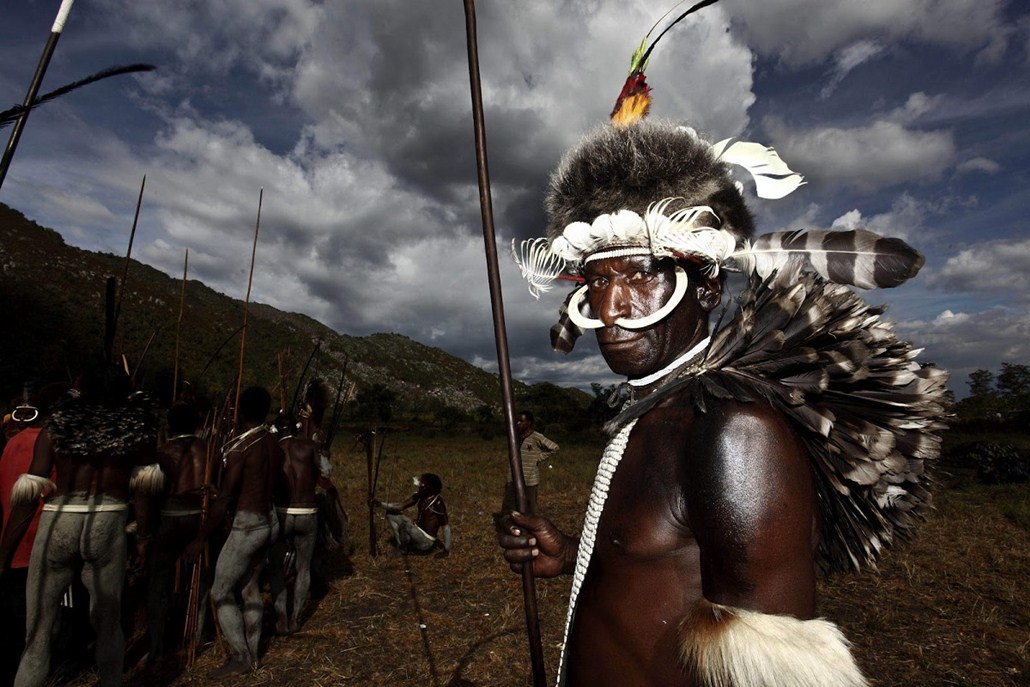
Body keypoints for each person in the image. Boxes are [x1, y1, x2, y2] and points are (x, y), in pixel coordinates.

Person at [499, 116, 946, 686]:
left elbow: (772, 671)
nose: (609, 307)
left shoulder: (733, 431)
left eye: (639, 274)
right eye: (595, 281)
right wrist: (567, 555)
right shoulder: (656, 412)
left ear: (706, 289)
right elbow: (667, 566)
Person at [0, 365, 159, 687]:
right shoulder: (136, 428)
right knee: (108, 624)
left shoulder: (56, 426)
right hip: (108, 522)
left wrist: (4, 552)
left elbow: (30, 494)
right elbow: (144, 489)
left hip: (58, 521)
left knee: (39, 633)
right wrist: (143, 536)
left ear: (81, 387)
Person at [187, 386, 282, 678]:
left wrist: (201, 536)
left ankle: (240, 656)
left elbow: (228, 496)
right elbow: (256, 483)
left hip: (247, 526)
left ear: (240, 412)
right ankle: (252, 654)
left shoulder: (242, 448)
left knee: (220, 591)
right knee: (250, 586)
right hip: (269, 521)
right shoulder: (273, 444)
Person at [136, 402, 210, 665]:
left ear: (170, 425)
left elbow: (146, 497)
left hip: (169, 519)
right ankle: (195, 637)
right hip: (199, 518)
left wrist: (143, 537)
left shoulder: (162, 452)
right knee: (198, 579)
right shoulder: (209, 451)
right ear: (197, 424)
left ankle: (157, 646)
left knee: (159, 584)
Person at [0, 384, 64, 687]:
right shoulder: (51, 443)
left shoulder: (12, 445)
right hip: (42, 539)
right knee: (39, 616)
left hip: (16, 541)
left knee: (23, 616)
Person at [268, 413, 320, 635]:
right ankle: (296, 619)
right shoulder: (308, 446)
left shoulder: (272, 450)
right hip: (307, 511)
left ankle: (281, 620)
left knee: (276, 568)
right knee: (303, 567)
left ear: (276, 430)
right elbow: (326, 471)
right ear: (296, 428)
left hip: (281, 513)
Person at [373, 473, 451, 556]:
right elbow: (400, 506)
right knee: (391, 514)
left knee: (406, 526)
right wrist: (379, 504)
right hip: (417, 531)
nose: (419, 486)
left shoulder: (438, 503)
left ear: (428, 488)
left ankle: (403, 550)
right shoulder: (421, 495)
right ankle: (402, 545)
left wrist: (446, 550)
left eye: (421, 484)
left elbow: (446, 527)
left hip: (426, 541)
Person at [502, 411, 558, 515]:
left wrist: (538, 458)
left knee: (530, 507)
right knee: (510, 504)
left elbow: (554, 447)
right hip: (514, 477)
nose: (518, 423)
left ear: (528, 423)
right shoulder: (516, 437)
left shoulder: (536, 437)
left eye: (521, 421)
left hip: (530, 479)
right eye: (517, 421)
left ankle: (531, 527)